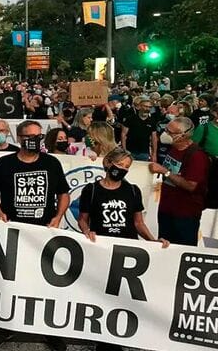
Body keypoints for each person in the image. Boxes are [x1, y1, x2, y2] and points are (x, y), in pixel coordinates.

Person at [0, 120, 69, 351]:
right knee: (12, 281)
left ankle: (49, 330)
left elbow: (64, 193)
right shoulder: (5, 163)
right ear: (20, 138)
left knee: (47, 284)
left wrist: (58, 216)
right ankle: (6, 326)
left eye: (39, 136)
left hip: (45, 233)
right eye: (30, 136)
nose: (35, 140)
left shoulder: (51, 163)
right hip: (15, 233)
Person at [79, 148, 168, 351]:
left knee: (123, 296)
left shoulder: (133, 190)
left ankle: (117, 337)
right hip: (102, 251)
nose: (123, 169)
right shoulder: (91, 190)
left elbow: (138, 223)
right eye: (120, 165)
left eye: (127, 167)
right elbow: (83, 218)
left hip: (127, 250)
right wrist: (87, 232)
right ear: (109, 163)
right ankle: (101, 338)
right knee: (102, 294)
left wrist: (152, 241)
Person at [148, 117, 210, 246]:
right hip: (166, 209)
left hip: (184, 214)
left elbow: (191, 185)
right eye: (166, 130)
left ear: (183, 135)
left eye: (170, 132)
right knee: (163, 245)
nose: (165, 134)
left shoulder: (197, 156)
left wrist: (165, 172)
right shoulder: (174, 148)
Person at [121, 96, 158, 162]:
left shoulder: (152, 121)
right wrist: (124, 149)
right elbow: (123, 134)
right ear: (140, 106)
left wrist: (154, 154)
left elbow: (154, 138)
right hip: (130, 151)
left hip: (144, 152)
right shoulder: (130, 119)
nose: (147, 109)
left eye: (149, 107)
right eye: (145, 106)